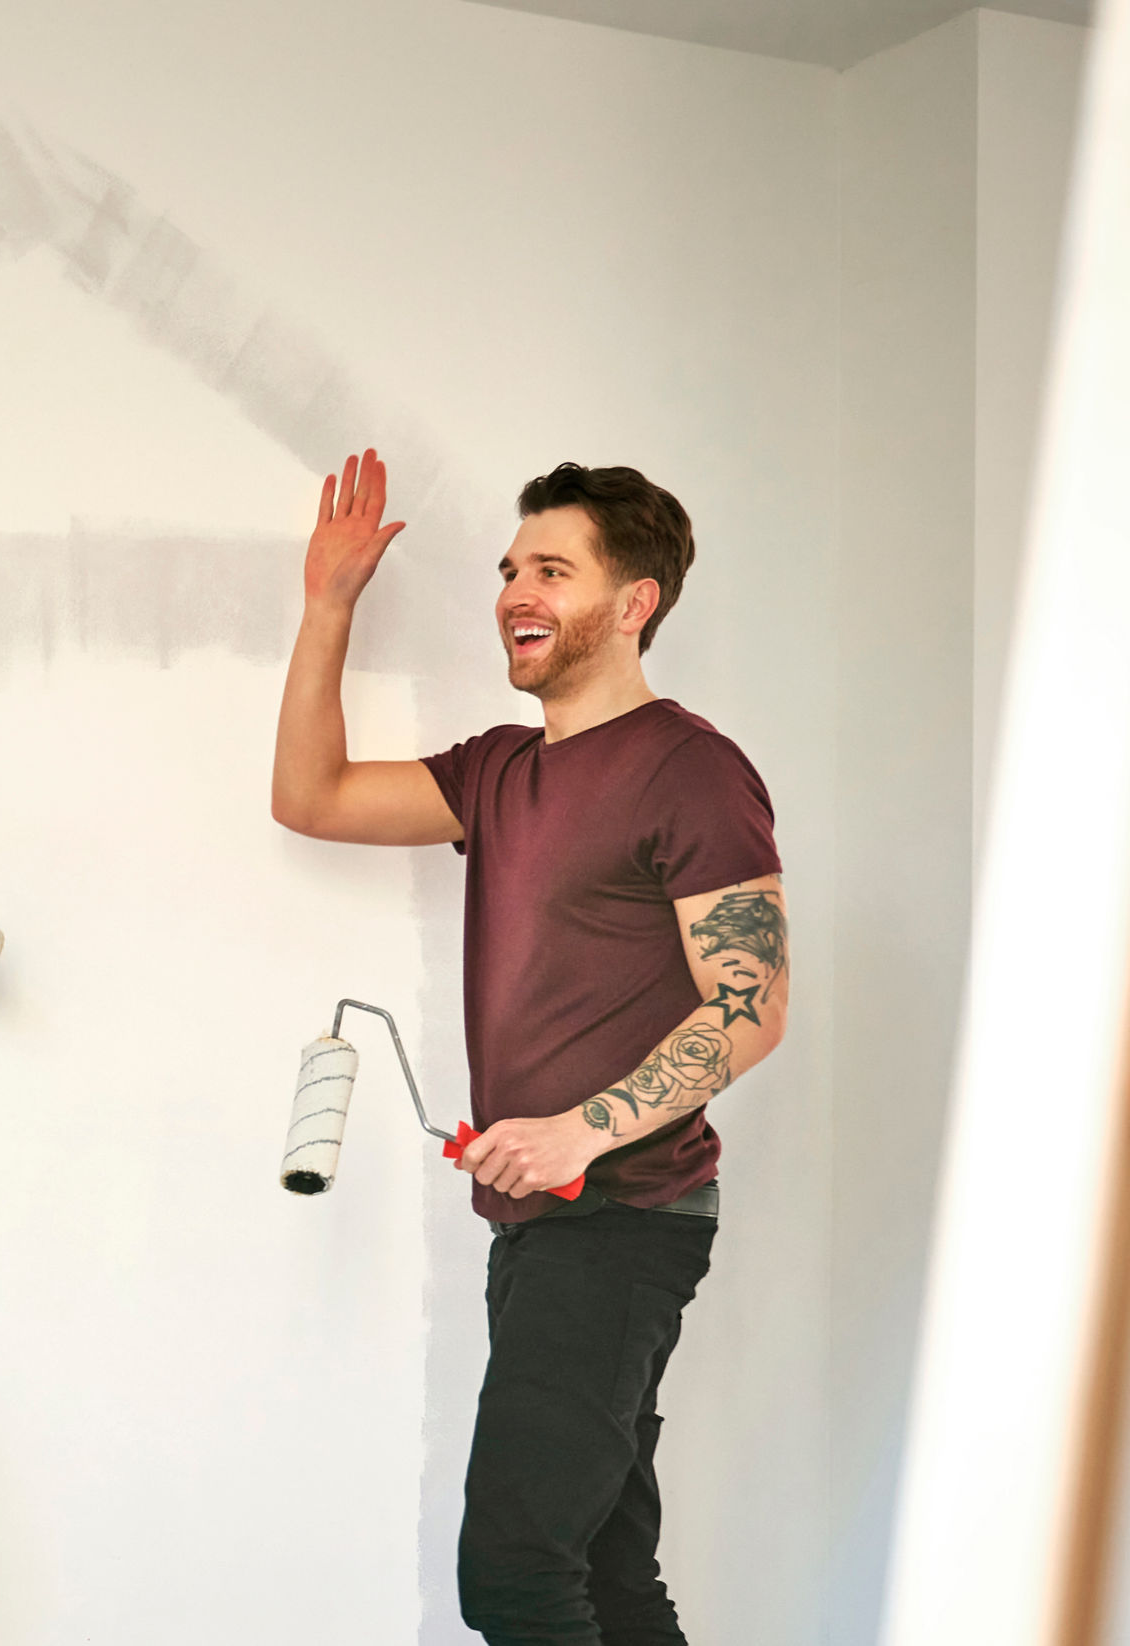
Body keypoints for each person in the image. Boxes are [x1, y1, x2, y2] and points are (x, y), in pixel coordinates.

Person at [268, 454, 790, 1646]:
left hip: (624, 1222)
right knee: (605, 1574)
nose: (516, 590)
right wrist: (329, 604)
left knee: (512, 1571)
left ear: (634, 600)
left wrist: (580, 1129)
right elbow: (311, 793)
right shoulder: (499, 770)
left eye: (553, 568)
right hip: (538, 1231)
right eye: (510, 569)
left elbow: (751, 1001)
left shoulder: (690, 767)